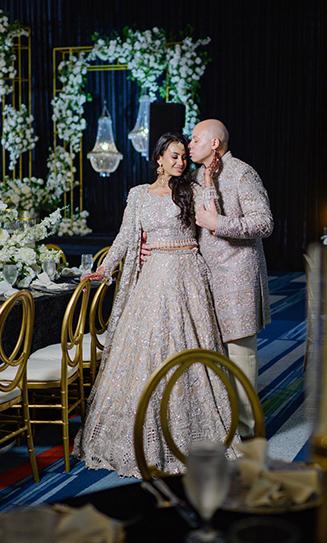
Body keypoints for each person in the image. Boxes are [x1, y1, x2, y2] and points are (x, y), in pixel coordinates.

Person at [73, 133, 237, 478]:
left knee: (188, 345)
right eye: (174, 157)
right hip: (154, 277)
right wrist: (106, 268)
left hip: (188, 275)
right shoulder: (138, 195)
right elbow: (126, 236)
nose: (180, 163)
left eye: (183, 158)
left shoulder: (190, 190)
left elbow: (211, 216)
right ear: (159, 158)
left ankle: (192, 429)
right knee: (146, 347)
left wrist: (206, 181)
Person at [145, 119, 273, 439]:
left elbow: (264, 223)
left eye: (195, 139)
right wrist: (151, 245)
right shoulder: (194, 177)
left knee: (241, 356)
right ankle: (222, 421)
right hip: (201, 278)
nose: (189, 145)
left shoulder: (242, 173)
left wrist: (219, 223)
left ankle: (247, 430)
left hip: (237, 277)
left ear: (214, 143)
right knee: (213, 354)